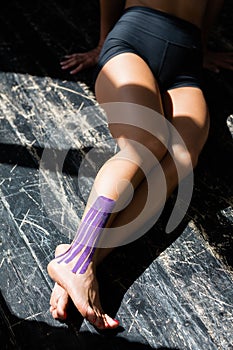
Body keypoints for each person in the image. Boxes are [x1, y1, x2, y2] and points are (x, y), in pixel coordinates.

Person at [47, 0, 233, 330]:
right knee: (146, 144)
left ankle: (77, 258)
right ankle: (79, 259)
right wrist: (104, 42)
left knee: (182, 159)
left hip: (187, 61)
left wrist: (201, 48)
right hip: (134, 39)